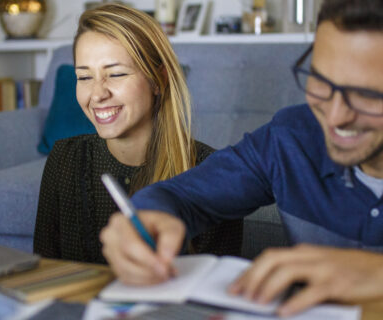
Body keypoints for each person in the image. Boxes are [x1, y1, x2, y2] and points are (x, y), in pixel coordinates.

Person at [98, 0, 383, 319]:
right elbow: (183, 197)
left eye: (367, 95)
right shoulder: (290, 136)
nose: (335, 117)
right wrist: (151, 216)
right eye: (320, 81)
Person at [33, 3, 243, 264]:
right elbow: (44, 270)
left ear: (158, 80)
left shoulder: (211, 173)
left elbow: (214, 287)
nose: (97, 94)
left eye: (116, 74)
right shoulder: (63, 158)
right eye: (84, 77)